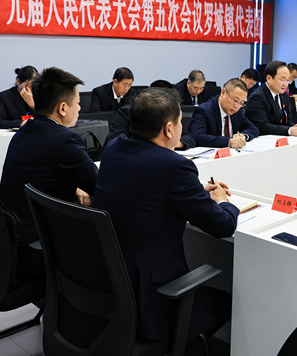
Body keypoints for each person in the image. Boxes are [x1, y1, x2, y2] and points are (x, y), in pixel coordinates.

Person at [93, 88, 239, 342]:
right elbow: (223, 226)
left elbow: (142, 185)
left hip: (109, 278)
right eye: (181, 122)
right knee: (226, 301)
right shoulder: (176, 166)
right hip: (153, 295)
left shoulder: (115, 147)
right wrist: (223, 201)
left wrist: (193, 191)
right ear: (169, 129)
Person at [0, 67, 97, 274]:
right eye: (77, 103)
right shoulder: (65, 139)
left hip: (14, 236)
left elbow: (43, 175)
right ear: (63, 108)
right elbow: (100, 185)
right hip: (40, 242)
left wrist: (74, 187)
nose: (79, 108)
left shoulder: (26, 130)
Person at [104, 80, 196, 150]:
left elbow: (189, 138)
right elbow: (114, 144)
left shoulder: (171, 113)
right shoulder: (128, 112)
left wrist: (173, 143)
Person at [189, 78, 260, 148]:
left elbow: (253, 128)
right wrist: (228, 141)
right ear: (223, 92)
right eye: (235, 100)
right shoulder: (204, 110)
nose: (237, 106)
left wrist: (243, 136)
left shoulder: (237, 111)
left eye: (241, 103)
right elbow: (197, 136)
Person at [245, 61, 297, 137]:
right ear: (269, 78)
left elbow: (287, 119)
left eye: (288, 80)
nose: (286, 84)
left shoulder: (283, 95)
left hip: (279, 138)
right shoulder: (257, 97)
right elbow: (263, 126)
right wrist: (289, 130)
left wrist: (293, 126)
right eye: (282, 80)